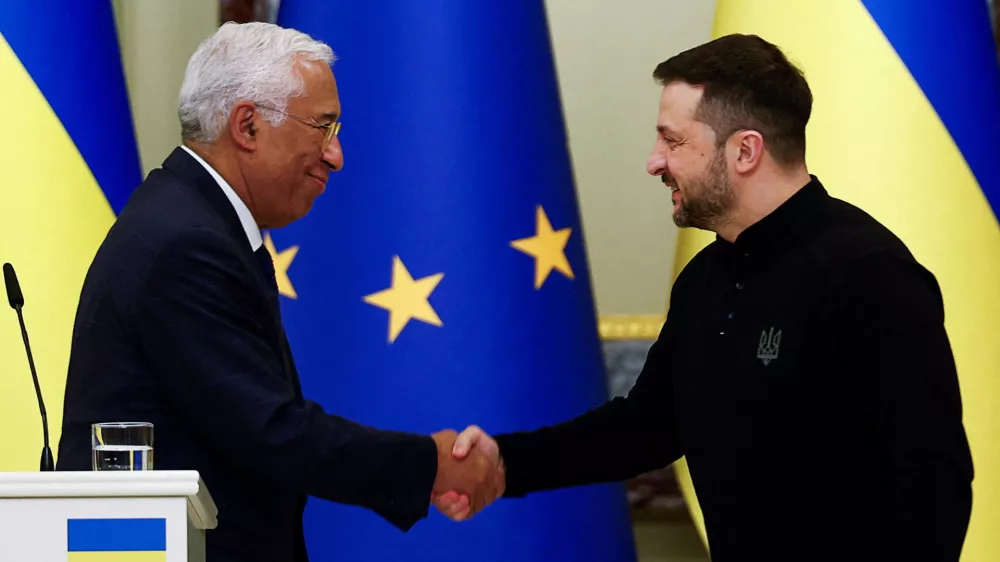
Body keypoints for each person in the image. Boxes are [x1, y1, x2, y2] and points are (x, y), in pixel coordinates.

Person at [434, 33, 974, 561]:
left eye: (672, 141)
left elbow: (934, 481)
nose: (653, 161)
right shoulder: (703, 278)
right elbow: (644, 428)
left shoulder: (869, 274)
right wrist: (506, 460)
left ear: (744, 151)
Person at [55, 22, 502, 562]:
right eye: (323, 126)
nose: (336, 155)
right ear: (247, 126)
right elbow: (271, 431)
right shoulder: (186, 243)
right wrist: (429, 463)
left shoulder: (191, 221)